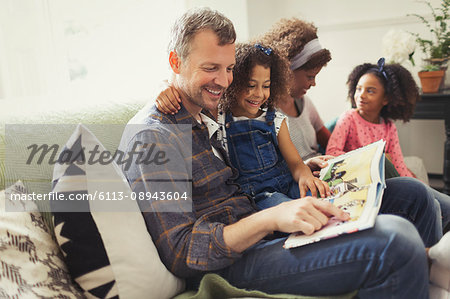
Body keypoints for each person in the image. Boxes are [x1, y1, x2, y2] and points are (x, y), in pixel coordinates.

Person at [119, 7, 441, 298]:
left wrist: (301, 168)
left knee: (414, 195)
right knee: (394, 242)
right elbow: (182, 251)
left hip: (269, 223)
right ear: (176, 61)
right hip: (237, 259)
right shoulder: (152, 137)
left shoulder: (206, 106)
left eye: (229, 68)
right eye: (211, 68)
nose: (224, 80)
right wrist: (271, 217)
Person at [158, 42, 330, 207]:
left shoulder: (275, 119)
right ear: (234, 83)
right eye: (251, 85)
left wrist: (306, 178)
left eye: (266, 86)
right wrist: (164, 86)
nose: (259, 94)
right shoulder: (219, 117)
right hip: (258, 197)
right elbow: (186, 92)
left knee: (321, 198)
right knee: (296, 209)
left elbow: (296, 164)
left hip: (287, 182)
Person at [326, 58, 417, 177]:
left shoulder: (389, 127)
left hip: (381, 178)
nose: (361, 95)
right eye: (359, 89)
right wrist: (372, 158)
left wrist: (414, 183)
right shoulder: (348, 118)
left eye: (370, 91)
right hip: (355, 176)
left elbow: (398, 164)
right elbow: (332, 152)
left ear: (385, 99)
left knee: (422, 189)